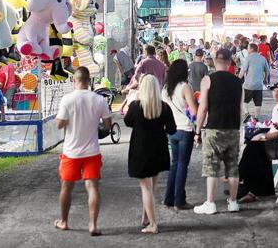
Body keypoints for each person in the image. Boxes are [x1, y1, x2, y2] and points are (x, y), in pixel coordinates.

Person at [55, 67, 113, 236]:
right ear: (89, 81)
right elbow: (108, 125)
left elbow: (59, 124)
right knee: (92, 187)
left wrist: (64, 120)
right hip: (92, 151)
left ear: (75, 80)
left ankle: (64, 222)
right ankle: (93, 225)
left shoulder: (67, 99)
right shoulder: (99, 99)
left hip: (71, 152)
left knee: (66, 187)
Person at [124, 75, 177, 234]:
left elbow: (128, 122)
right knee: (151, 187)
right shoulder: (164, 107)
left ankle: (153, 224)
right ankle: (146, 217)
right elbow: (172, 129)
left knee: (146, 188)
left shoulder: (135, 106)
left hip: (141, 150)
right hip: (159, 149)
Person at [193, 48, 243, 215]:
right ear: (230, 62)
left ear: (214, 61)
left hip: (214, 128)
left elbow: (203, 108)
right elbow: (240, 109)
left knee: (212, 167)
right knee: (233, 167)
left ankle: (210, 203)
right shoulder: (238, 82)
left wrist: (197, 130)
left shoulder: (208, 80)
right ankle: (234, 202)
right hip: (233, 128)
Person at [162, 59, 199, 210]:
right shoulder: (185, 87)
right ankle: (180, 200)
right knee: (183, 164)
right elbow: (194, 111)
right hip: (185, 129)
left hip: (171, 130)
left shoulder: (165, 89)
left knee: (175, 164)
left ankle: (169, 198)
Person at [239, 43, 270, 120]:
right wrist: (265, 79)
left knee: (243, 101)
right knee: (258, 103)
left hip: (248, 85)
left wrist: (238, 79)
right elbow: (267, 70)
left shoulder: (248, 58)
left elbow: (243, 70)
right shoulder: (263, 58)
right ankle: (256, 118)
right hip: (259, 85)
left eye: (248, 48)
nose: (247, 50)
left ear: (252, 49)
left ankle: (246, 113)